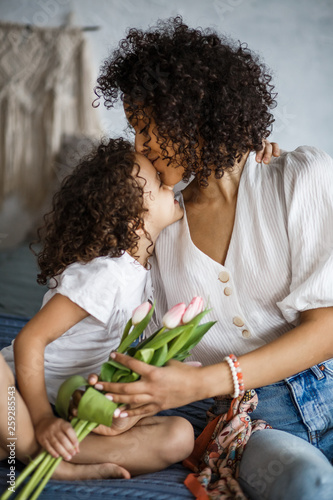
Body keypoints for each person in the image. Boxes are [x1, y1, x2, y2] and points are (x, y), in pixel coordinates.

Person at [89, 17, 333, 499]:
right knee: (310, 484)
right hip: (252, 424)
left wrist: (203, 383)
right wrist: (136, 401)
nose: (139, 145)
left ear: (188, 111)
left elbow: (327, 328)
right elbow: (143, 341)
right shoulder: (154, 224)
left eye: (145, 126)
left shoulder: (299, 177)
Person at [0, 137, 194, 480]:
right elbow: (30, 340)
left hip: (69, 411)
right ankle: (39, 456)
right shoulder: (106, 273)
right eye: (159, 182)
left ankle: (35, 448)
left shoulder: (143, 273)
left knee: (179, 436)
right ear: (134, 219)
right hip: (17, 401)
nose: (171, 183)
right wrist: (43, 419)